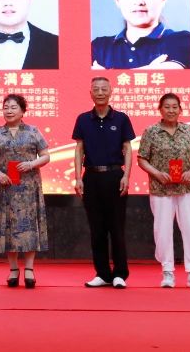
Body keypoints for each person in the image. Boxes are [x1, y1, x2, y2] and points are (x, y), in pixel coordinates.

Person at [136, 93, 190, 289]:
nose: (171, 110)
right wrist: (157, 173)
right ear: (160, 109)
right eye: (167, 107)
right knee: (163, 229)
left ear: (180, 109)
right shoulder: (151, 132)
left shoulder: (188, 130)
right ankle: (167, 271)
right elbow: (142, 159)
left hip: (187, 187)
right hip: (161, 188)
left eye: (175, 107)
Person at [0, 94, 49, 289]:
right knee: (8, 226)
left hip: (28, 187)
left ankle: (29, 269)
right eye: (6, 107)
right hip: (6, 186)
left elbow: (46, 156)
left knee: (29, 227)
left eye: (13, 107)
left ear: (22, 111)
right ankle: (13, 269)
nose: (9, 111)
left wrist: (31, 164)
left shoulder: (33, 131)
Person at [72, 77, 135, 288]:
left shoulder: (121, 119)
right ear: (90, 93)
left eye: (104, 89)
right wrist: (78, 177)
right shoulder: (83, 119)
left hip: (115, 176)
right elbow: (79, 149)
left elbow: (127, 149)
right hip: (91, 177)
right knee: (97, 228)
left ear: (110, 92)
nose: (100, 93)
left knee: (116, 228)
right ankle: (102, 273)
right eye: (96, 89)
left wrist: (126, 176)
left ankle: (120, 274)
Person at [92, 0, 190, 70]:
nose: (139, 1)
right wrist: (151, 69)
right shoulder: (99, 47)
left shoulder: (182, 40)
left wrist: (105, 75)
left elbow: (174, 71)